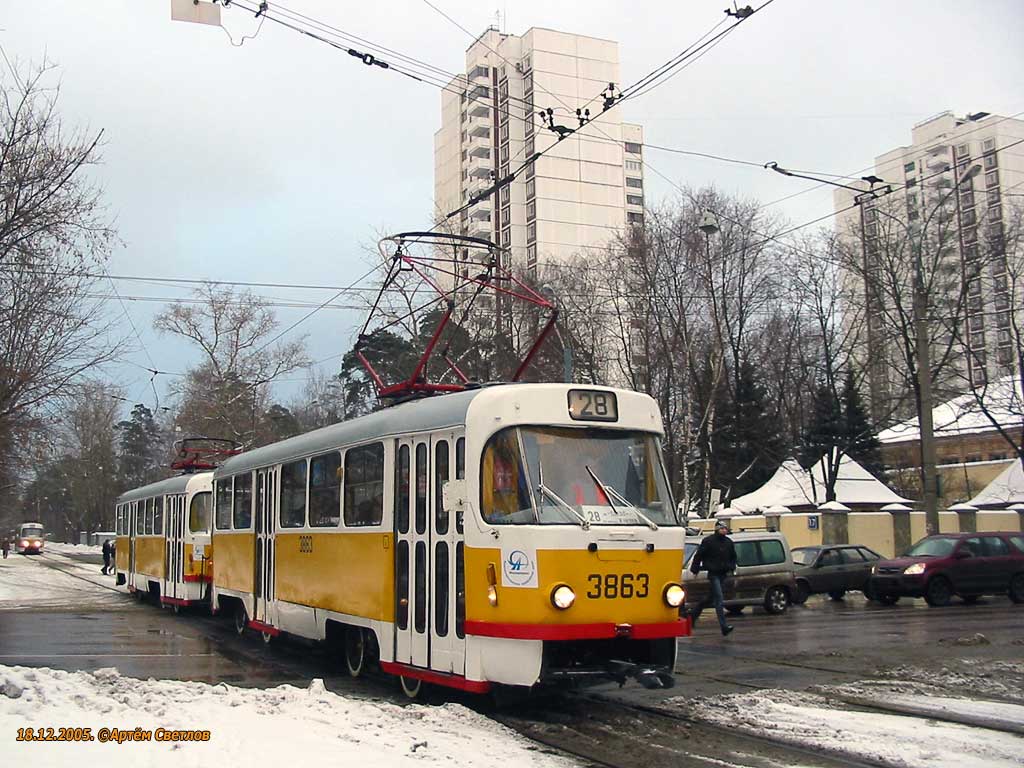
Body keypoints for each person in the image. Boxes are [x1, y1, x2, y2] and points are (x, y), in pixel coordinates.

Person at [688, 522, 738, 636]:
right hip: (713, 574)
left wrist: (731, 566)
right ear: (717, 529)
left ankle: (692, 616)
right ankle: (724, 627)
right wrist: (695, 569)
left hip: (723, 574)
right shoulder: (708, 541)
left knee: (709, 599)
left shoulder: (728, 542)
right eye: (722, 528)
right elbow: (699, 555)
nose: (724, 530)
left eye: (726, 528)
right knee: (719, 600)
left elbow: (733, 557)